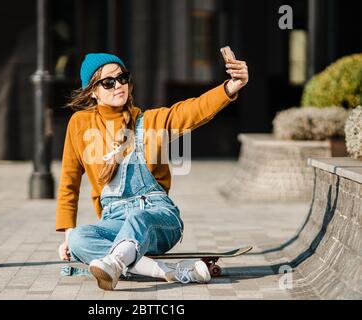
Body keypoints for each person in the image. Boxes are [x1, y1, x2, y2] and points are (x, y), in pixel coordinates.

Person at [56, 52, 249, 290]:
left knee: (138, 218)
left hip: (157, 217)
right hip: (114, 220)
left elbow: (192, 111)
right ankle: (174, 272)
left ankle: (115, 261)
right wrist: (68, 233)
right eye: (109, 82)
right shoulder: (80, 123)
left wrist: (231, 87)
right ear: (93, 91)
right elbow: (69, 180)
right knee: (78, 239)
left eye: (123, 78)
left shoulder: (149, 121)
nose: (119, 86)